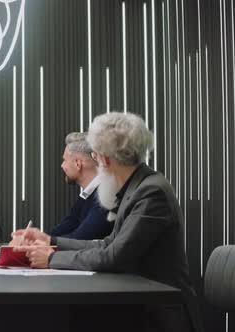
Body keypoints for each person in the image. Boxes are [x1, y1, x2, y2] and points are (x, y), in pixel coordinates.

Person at [11, 112, 199, 331]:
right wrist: (50, 239)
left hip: (159, 315)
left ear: (106, 159)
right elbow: (107, 243)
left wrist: (51, 258)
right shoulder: (137, 188)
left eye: (96, 155)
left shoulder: (150, 192)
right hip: (138, 305)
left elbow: (114, 256)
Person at [48, 132, 111, 240]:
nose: (62, 165)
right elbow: (69, 224)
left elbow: (81, 239)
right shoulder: (88, 195)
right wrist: (35, 240)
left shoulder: (104, 199)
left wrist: (38, 244)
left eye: (64, 160)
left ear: (78, 164)